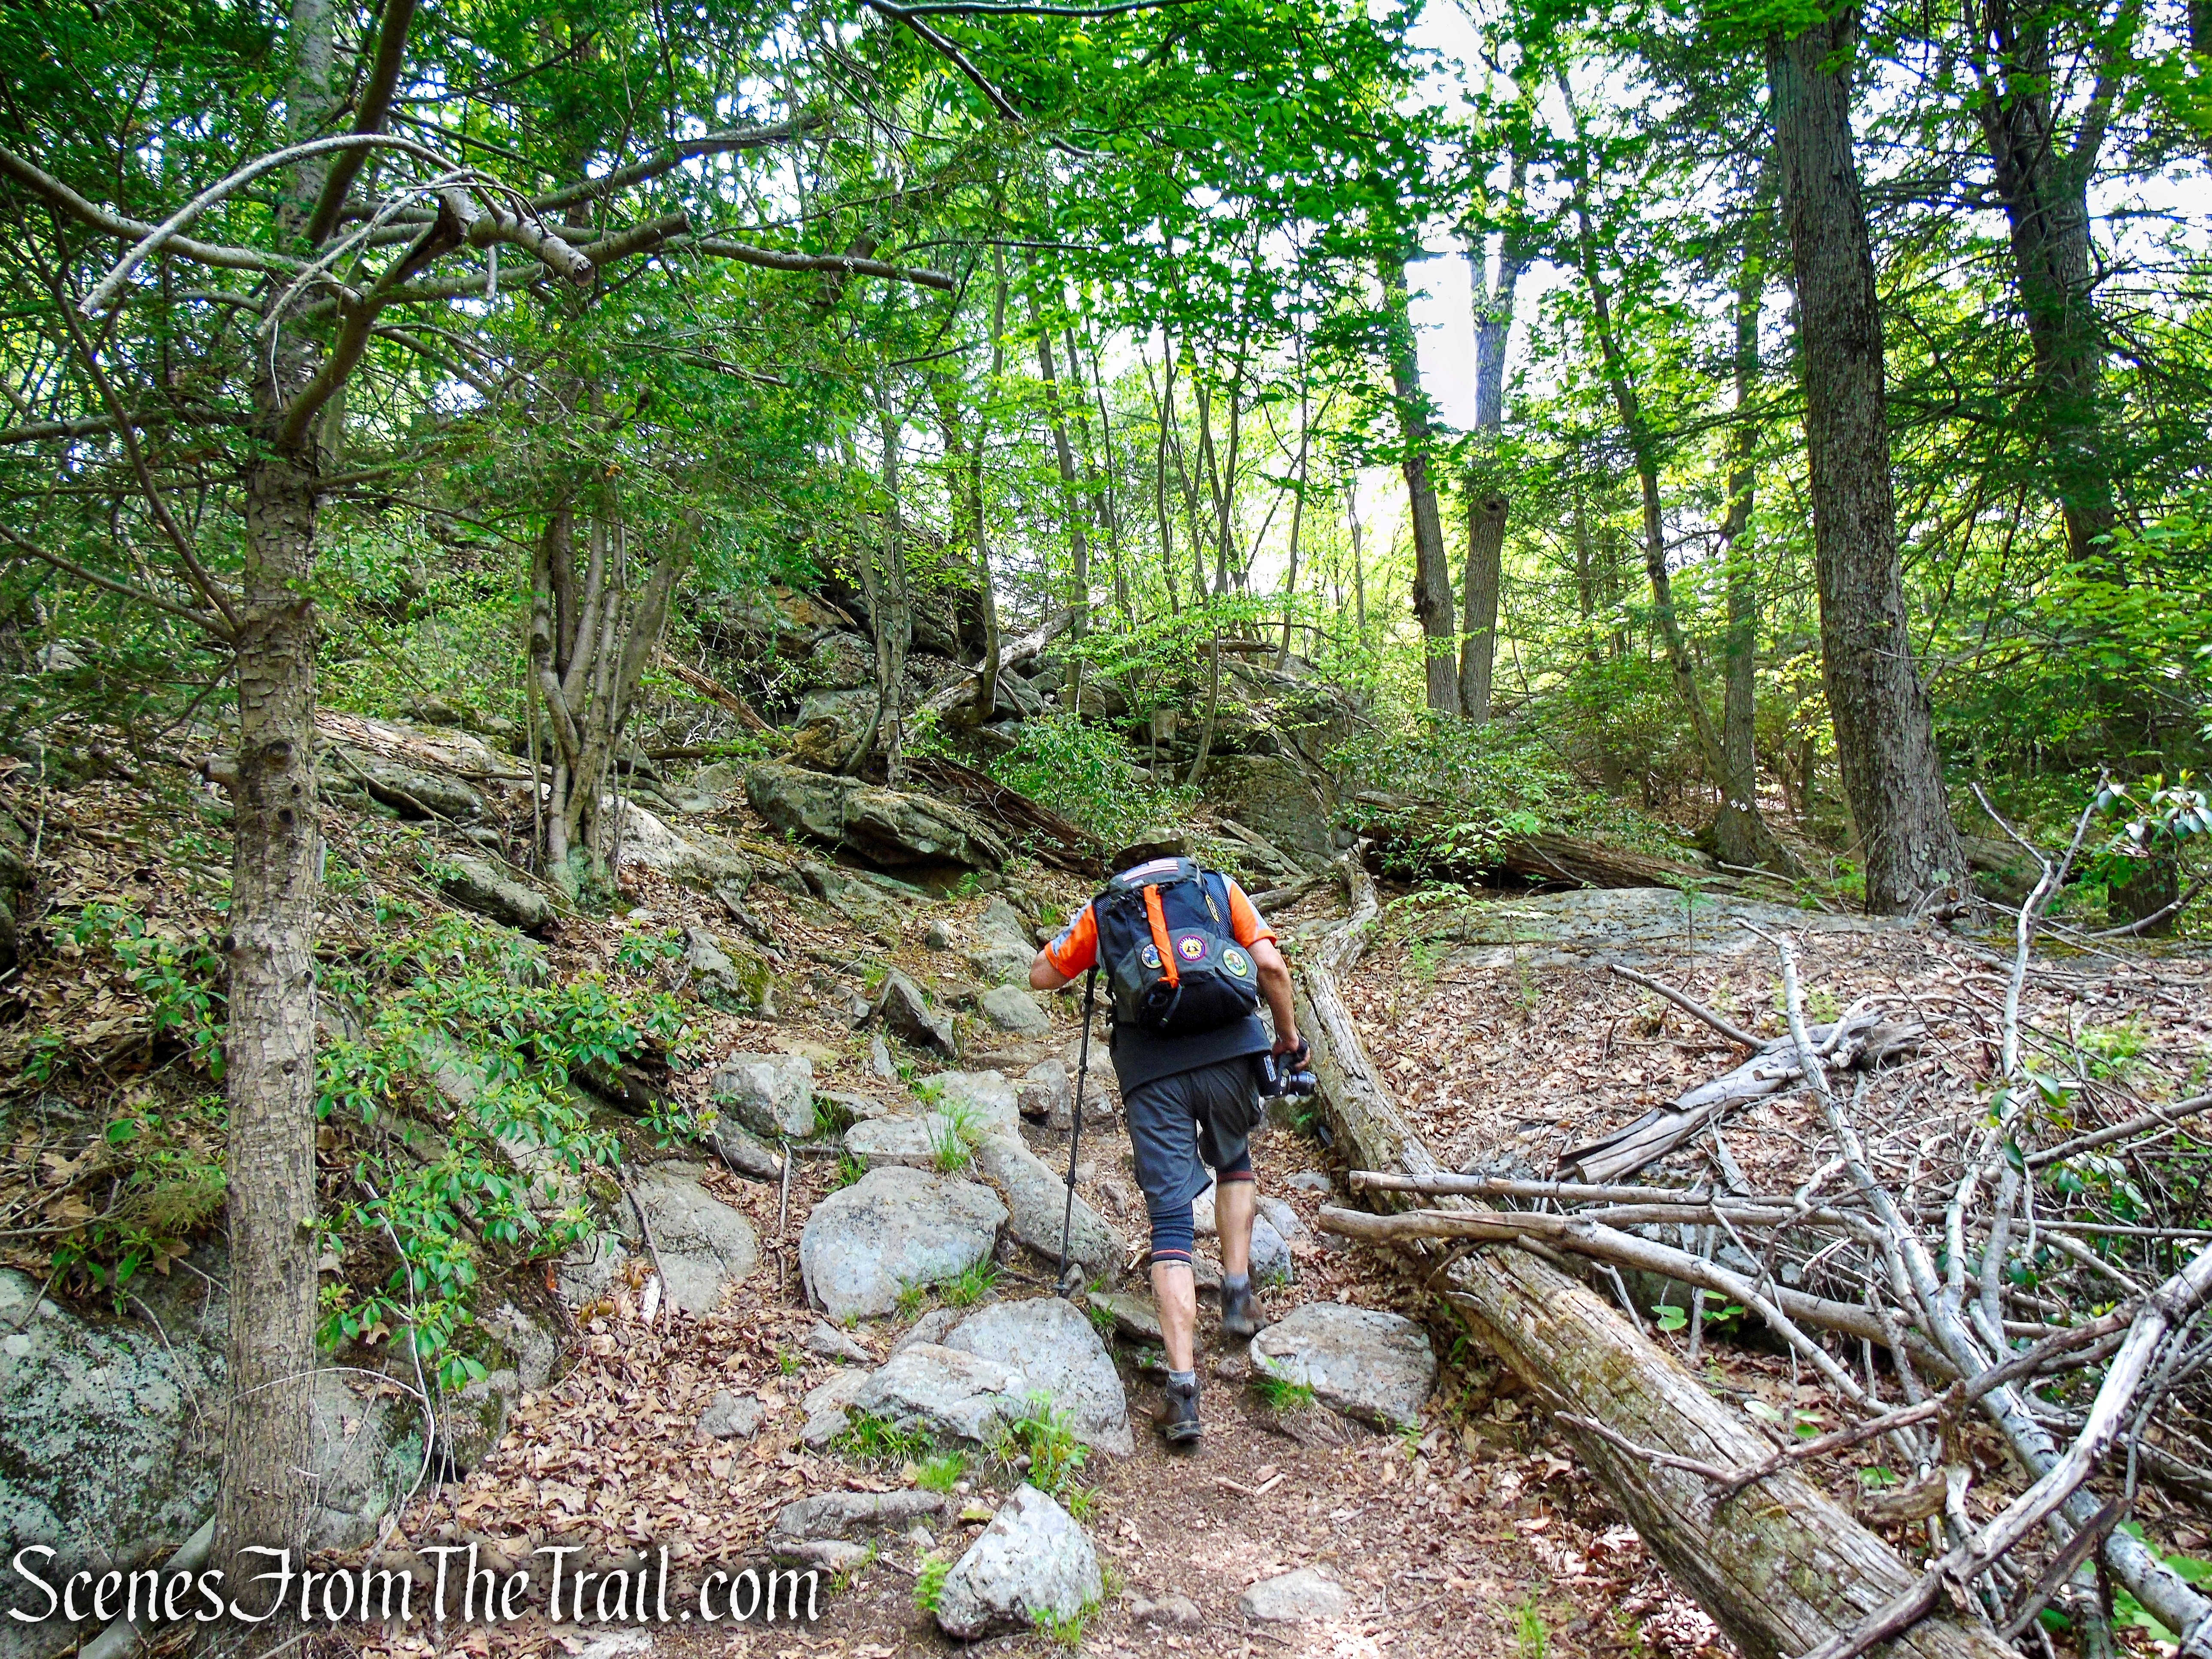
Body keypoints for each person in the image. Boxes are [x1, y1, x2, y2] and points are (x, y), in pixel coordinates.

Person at [1028, 830, 1308, 1446]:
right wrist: (1287, 1038)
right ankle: (1238, 1292)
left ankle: (1183, 1396)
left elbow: (1042, 975)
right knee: (1235, 1159)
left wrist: (1089, 946)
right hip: (1232, 1050)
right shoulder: (1217, 888)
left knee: (1171, 1223)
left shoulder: (1107, 908)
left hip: (1150, 1072)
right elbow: (1270, 967)